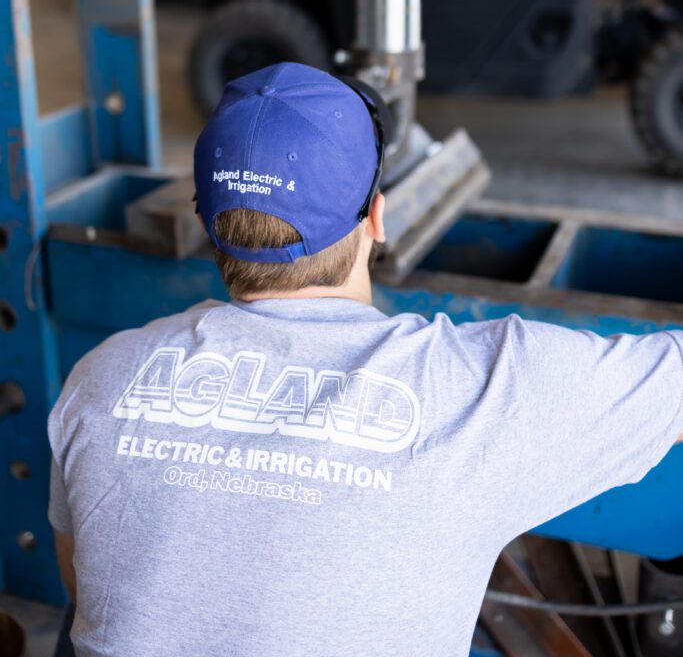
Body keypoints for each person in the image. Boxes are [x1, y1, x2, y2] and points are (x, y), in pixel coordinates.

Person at [48, 62, 683, 657]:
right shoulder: (484, 392)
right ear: (377, 217)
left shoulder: (101, 378)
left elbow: (83, 589)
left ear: (208, 222)